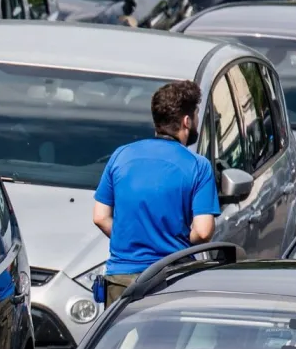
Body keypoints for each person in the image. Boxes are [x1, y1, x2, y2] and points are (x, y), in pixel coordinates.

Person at [93, 80, 220, 304]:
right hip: (170, 279)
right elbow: (202, 232)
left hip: (121, 278)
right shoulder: (198, 166)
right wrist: (170, 238)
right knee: (164, 340)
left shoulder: (121, 155)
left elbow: (100, 217)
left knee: (117, 339)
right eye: (196, 116)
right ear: (186, 121)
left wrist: (133, 237)